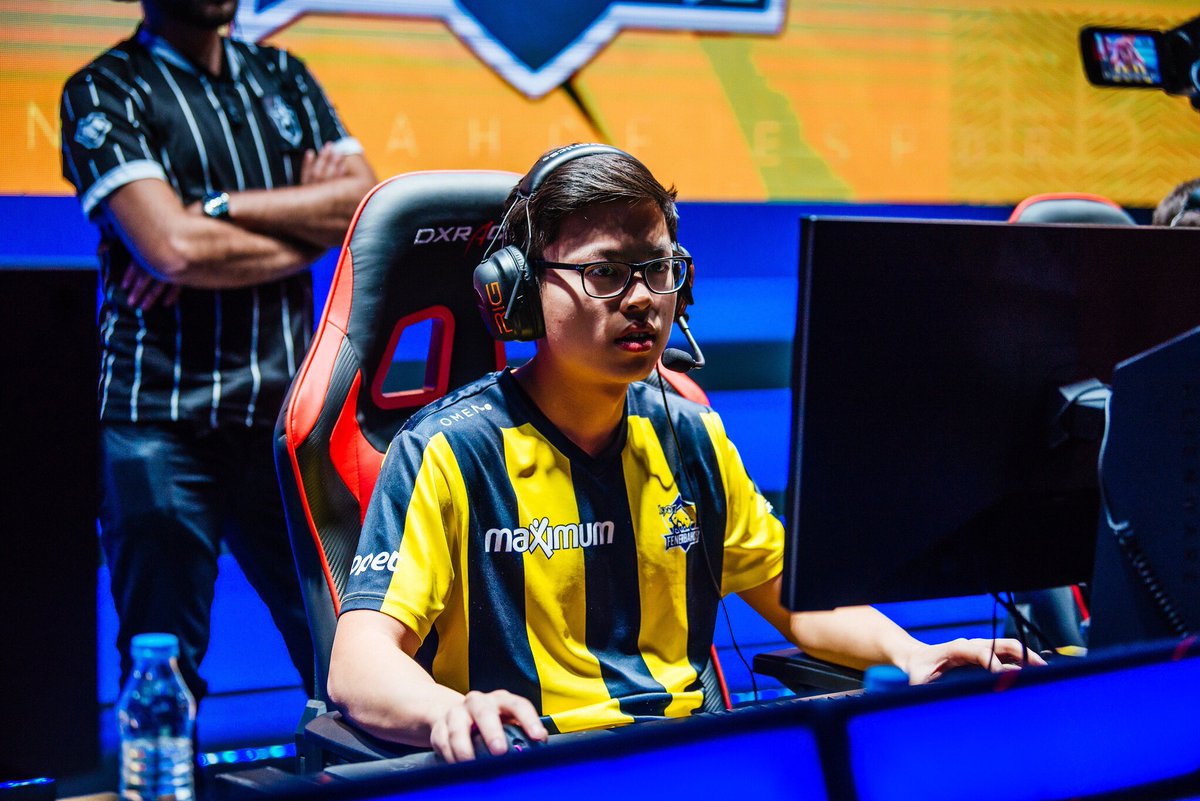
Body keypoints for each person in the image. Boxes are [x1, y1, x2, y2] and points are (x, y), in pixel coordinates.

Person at [327, 144, 1039, 764]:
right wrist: (447, 711)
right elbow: (358, 665)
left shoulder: (692, 433)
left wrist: (914, 652)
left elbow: (797, 604)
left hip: (693, 762)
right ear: (519, 290)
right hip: (534, 768)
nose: (642, 299)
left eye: (659, 268)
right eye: (606, 273)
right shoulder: (448, 450)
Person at [59, 0, 377, 705]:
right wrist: (303, 225)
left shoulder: (283, 74)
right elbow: (171, 249)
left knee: (348, 650)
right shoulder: (105, 88)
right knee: (163, 670)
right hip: (159, 419)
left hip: (284, 423)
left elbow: (361, 203)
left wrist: (213, 209)